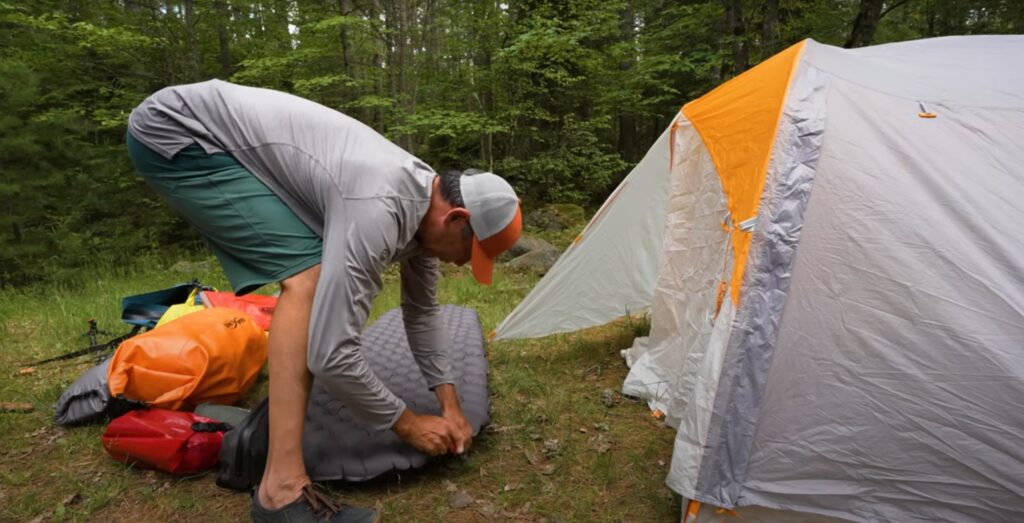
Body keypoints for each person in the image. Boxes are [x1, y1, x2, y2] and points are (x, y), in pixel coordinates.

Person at [126, 79, 522, 522]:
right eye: (469, 254)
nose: (462, 265)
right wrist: (408, 424)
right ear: (456, 218)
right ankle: (281, 492)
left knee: (311, 275)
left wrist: (449, 404)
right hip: (179, 132)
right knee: (307, 280)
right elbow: (331, 354)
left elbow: (423, 311)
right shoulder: (379, 204)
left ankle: (277, 448)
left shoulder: (423, 207)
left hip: (214, 134)